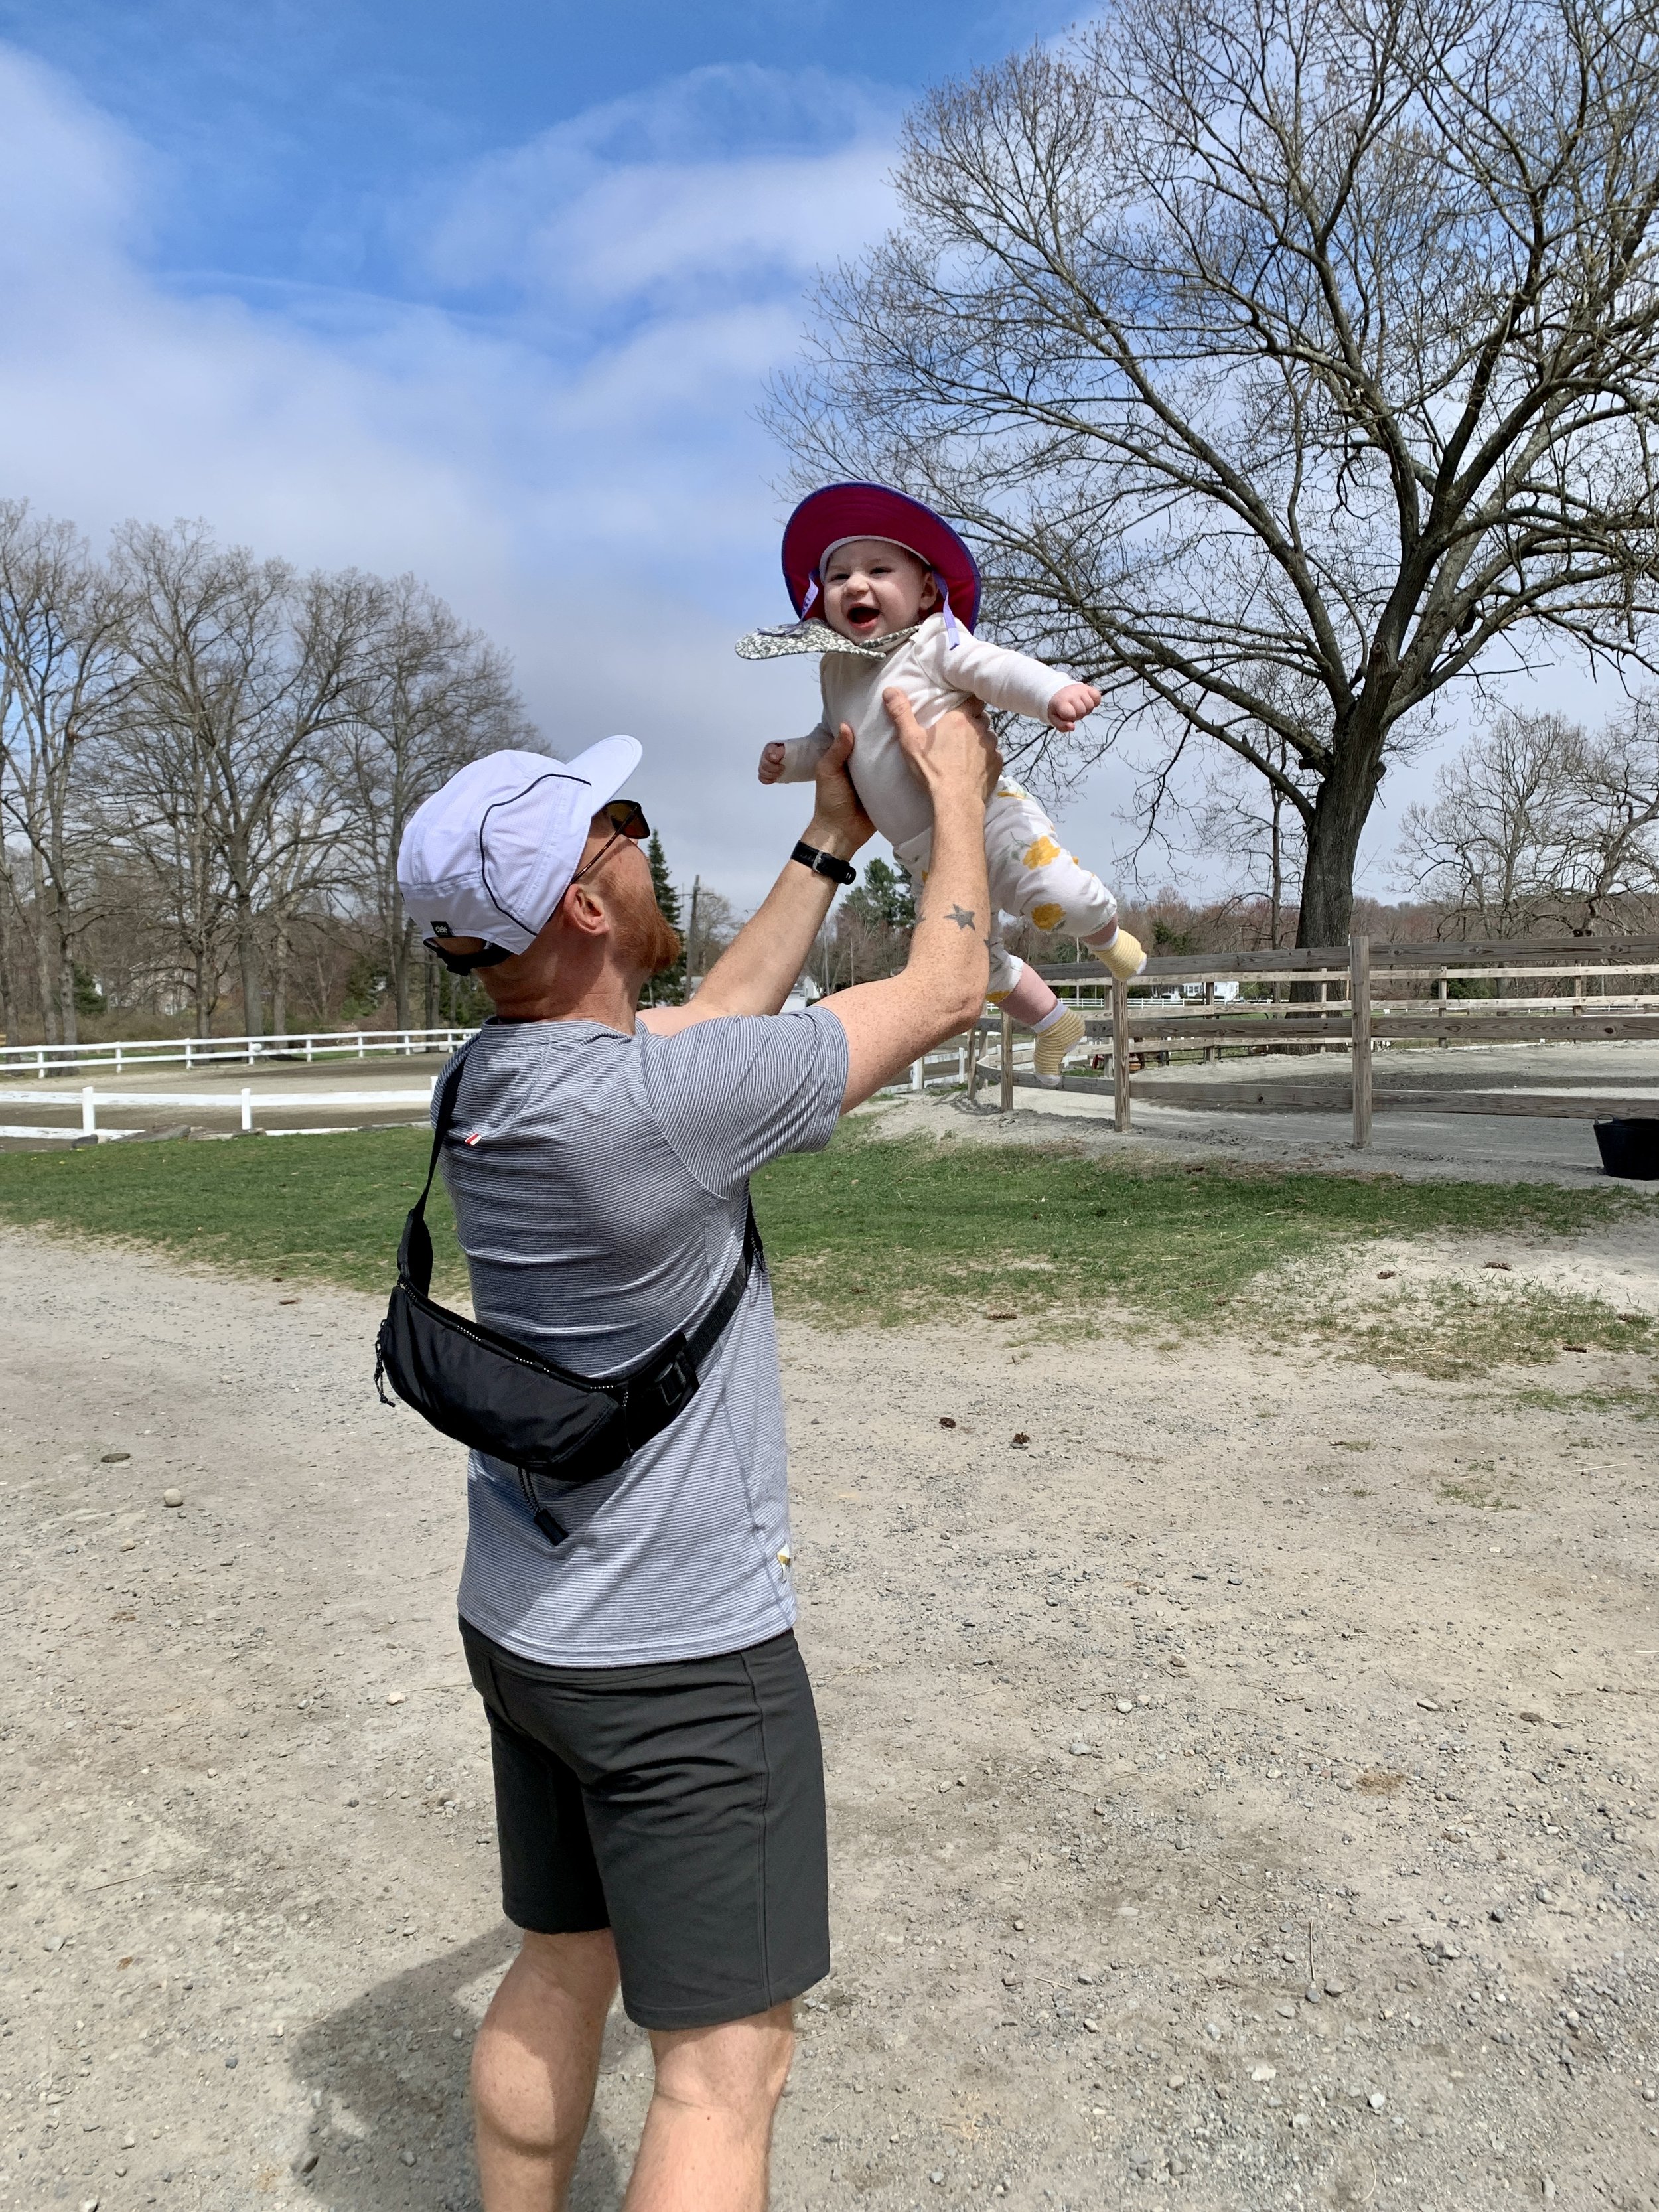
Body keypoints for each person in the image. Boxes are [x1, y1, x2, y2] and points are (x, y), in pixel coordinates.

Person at [394, 692, 1001, 2212]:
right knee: (723, 2073)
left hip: (526, 1632)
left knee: (559, 1962)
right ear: (588, 905)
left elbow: (715, 1012)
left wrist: (827, 841)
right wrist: (959, 788)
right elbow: (944, 989)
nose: (643, 845)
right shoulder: (663, 1110)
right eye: (621, 833)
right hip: (678, 1664)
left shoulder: (487, 1084)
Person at [739, 479, 1146, 1085]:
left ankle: (1109, 937)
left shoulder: (933, 641)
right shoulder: (835, 669)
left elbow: (995, 669)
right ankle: (1055, 1023)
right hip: (924, 854)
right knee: (971, 963)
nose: (855, 585)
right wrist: (793, 759)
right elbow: (834, 741)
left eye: (879, 569)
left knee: (1061, 896)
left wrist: (1051, 693)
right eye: (837, 576)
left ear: (927, 589)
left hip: (988, 816)